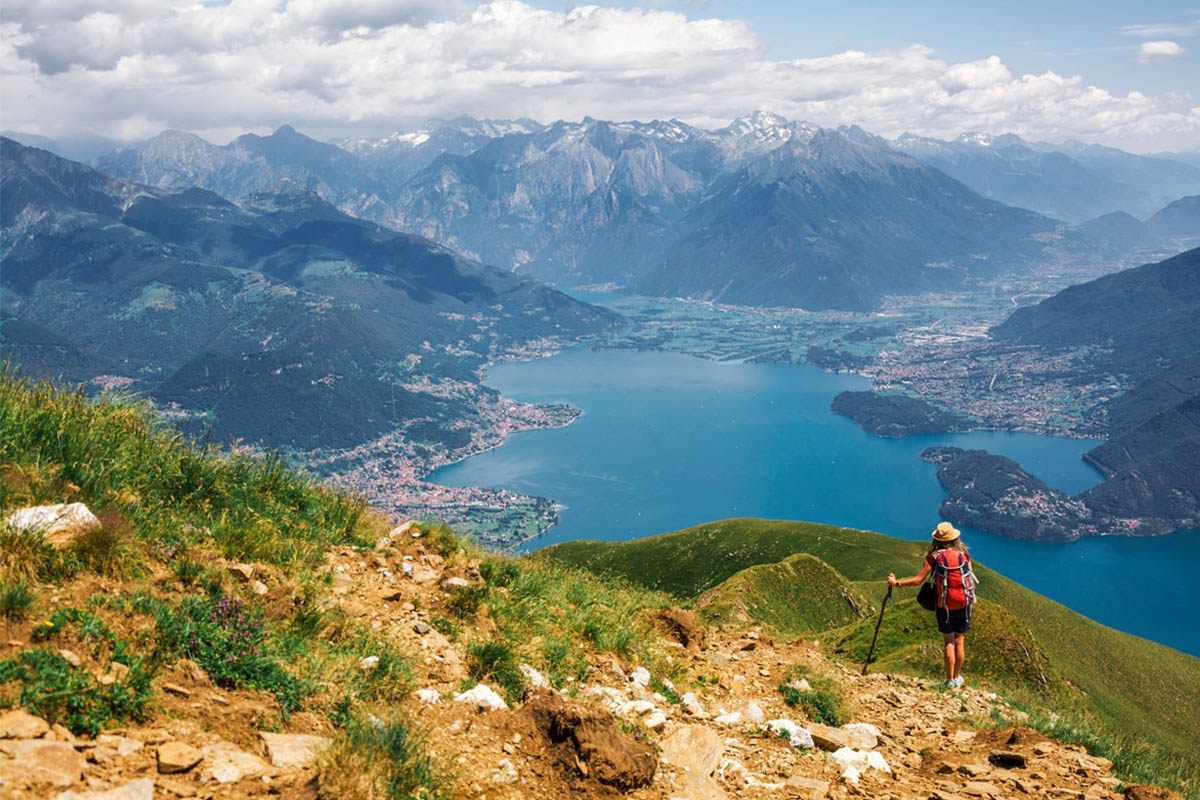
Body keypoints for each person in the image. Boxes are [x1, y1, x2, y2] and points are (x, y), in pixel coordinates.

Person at [888, 522, 976, 688]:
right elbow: (970, 576)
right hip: (965, 604)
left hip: (945, 605)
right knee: (960, 641)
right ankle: (957, 677)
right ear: (955, 538)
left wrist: (896, 583)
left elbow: (917, 580)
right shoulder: (963, 555)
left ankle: (950, 681)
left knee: (949, 641)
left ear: (937, 539)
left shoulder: (934, 557)